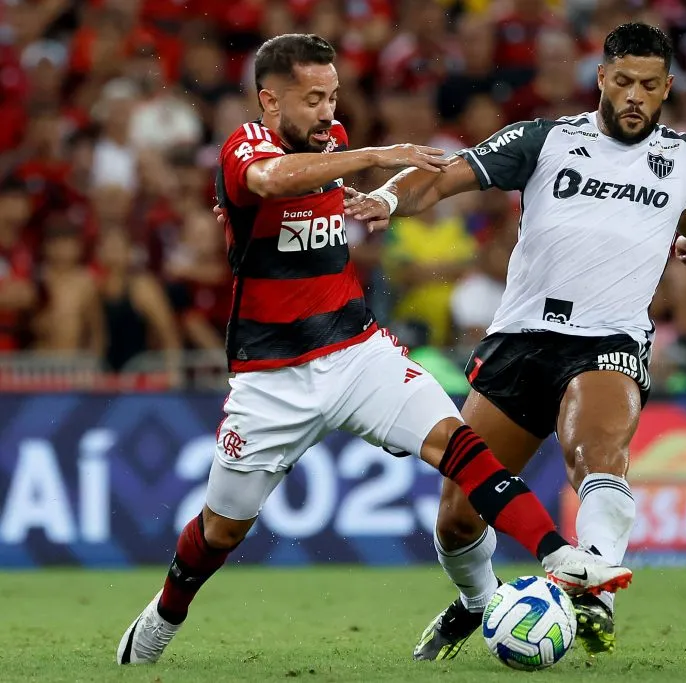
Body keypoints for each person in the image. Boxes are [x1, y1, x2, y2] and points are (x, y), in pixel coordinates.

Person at [116, 33, 632, 667]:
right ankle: (166, 612)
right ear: (269, 100)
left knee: (461, 445)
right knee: (222, 530)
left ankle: (560, 557)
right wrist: (373, 155)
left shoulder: (329, 144)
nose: (327, 112)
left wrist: (379, 194)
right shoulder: (246, 148)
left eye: (333, 97)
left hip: (358, 350)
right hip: (272, 377)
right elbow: (271, 182)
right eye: (312, 99)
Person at [345, 22, 686, 658]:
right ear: (602, 78)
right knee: (459, 515)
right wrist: (388, 197)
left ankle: (594, 595)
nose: (635, 95)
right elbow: (442, 178)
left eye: (650, 86)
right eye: (624, 81)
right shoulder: (545, 140)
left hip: (609, 340)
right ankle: (476, 603)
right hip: (522, 338)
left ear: (667, 89)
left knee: (596, 454)